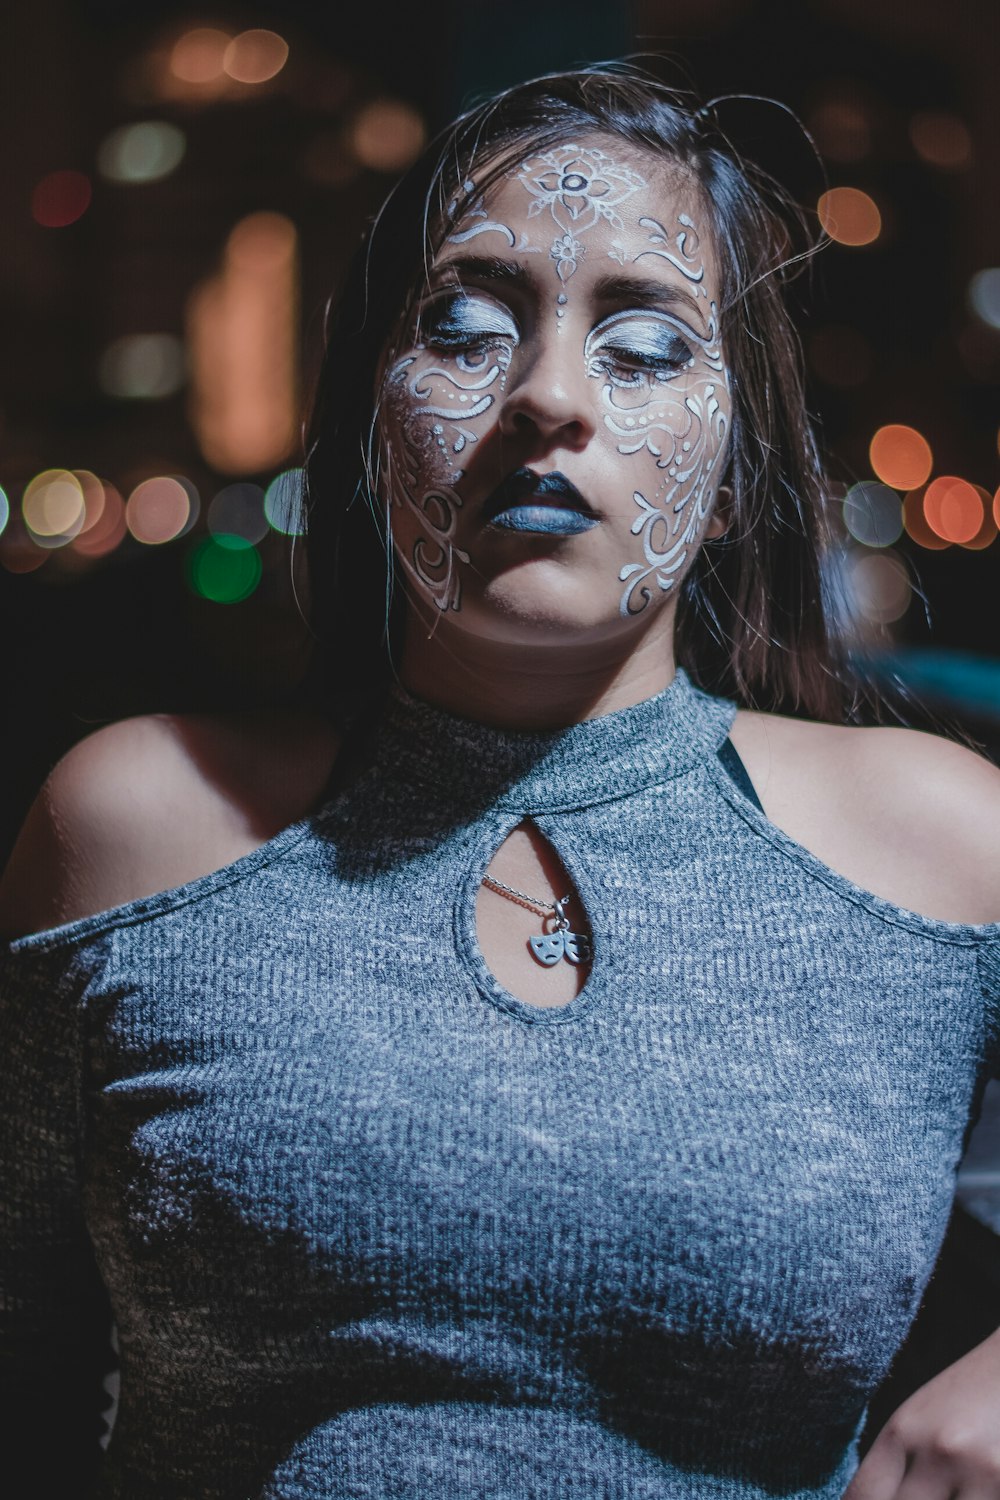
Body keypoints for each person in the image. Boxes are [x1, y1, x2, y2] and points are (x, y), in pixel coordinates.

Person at [2, 64, 1000, 1500]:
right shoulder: (135, 828)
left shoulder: (933, 846)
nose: (545, 396)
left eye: (646, 350)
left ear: (730, 473)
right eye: (465, 332)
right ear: (366, 430)